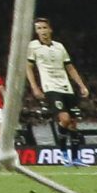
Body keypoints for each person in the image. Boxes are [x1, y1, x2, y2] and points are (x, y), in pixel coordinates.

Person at [24, 18, 90, 148]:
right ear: (36, 31)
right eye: (39, 28)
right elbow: (28, 67)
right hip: (51, 87)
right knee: (64, 119)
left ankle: (75, 159)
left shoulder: (59, 46)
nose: (42, 31)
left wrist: (82, 85)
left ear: (50, 29)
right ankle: (63, 148)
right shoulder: (33, 46)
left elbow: (70, 67)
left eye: (44, 28)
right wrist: (34, 87)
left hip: (67, 87)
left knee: (73, 123)